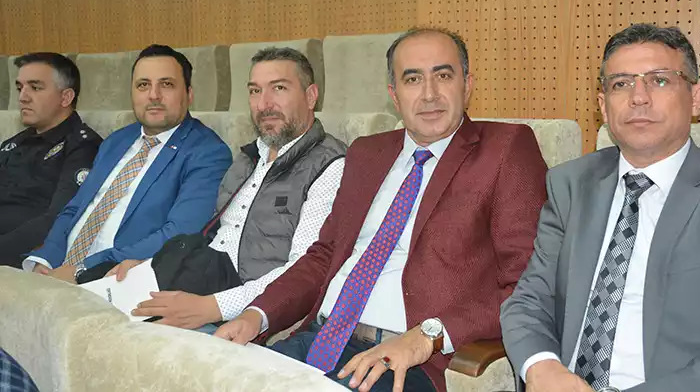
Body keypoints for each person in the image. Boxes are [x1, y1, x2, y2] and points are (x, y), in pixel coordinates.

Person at [215, 28, 548, 392]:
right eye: (412, 79)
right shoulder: (367, 153)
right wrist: (257, 315)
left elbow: (529, 283)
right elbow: (324, 255)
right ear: (394, 94)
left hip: (409, 361)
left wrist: (428, 335)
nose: (429, 94)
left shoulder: (504, 149)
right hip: (322, 338)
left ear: (467, 85)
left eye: (443, 75)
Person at [500, 23, 700, 392]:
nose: (639, 98)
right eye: (621, 84)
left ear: (697, 97)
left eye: (660, 80)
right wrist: (542, 368)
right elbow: (528, 302)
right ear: (603, 106)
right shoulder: (571, 184)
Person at [113, 48, 346, 331]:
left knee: (125, 338)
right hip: (199, 276)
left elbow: (305, 269)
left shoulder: (331, 166)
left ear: (311, 96)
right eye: (255, 91)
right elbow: (211, 238)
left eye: (279, 88)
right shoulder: (248, 157)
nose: (264, 104)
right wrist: (150, 268)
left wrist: (212, 306)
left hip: (242, 306)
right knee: (99, 303)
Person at [23, 44, 232, 283]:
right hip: (58, 272)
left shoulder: (207, 152)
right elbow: (75, 208)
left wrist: (83, 269)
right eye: (143, 85)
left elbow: (179, 234)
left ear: (189, 94)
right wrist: (46, 260)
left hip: (114, 280)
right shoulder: (117, 140)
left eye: (166, 84)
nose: (153, 95)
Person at [0, 53, 101, 267]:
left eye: (35, 88)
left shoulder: (83, 147)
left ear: (66, 97)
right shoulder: (15, 143)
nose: (23, 97)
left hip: (18, 256)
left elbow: (58, 219)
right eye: (20, 88)